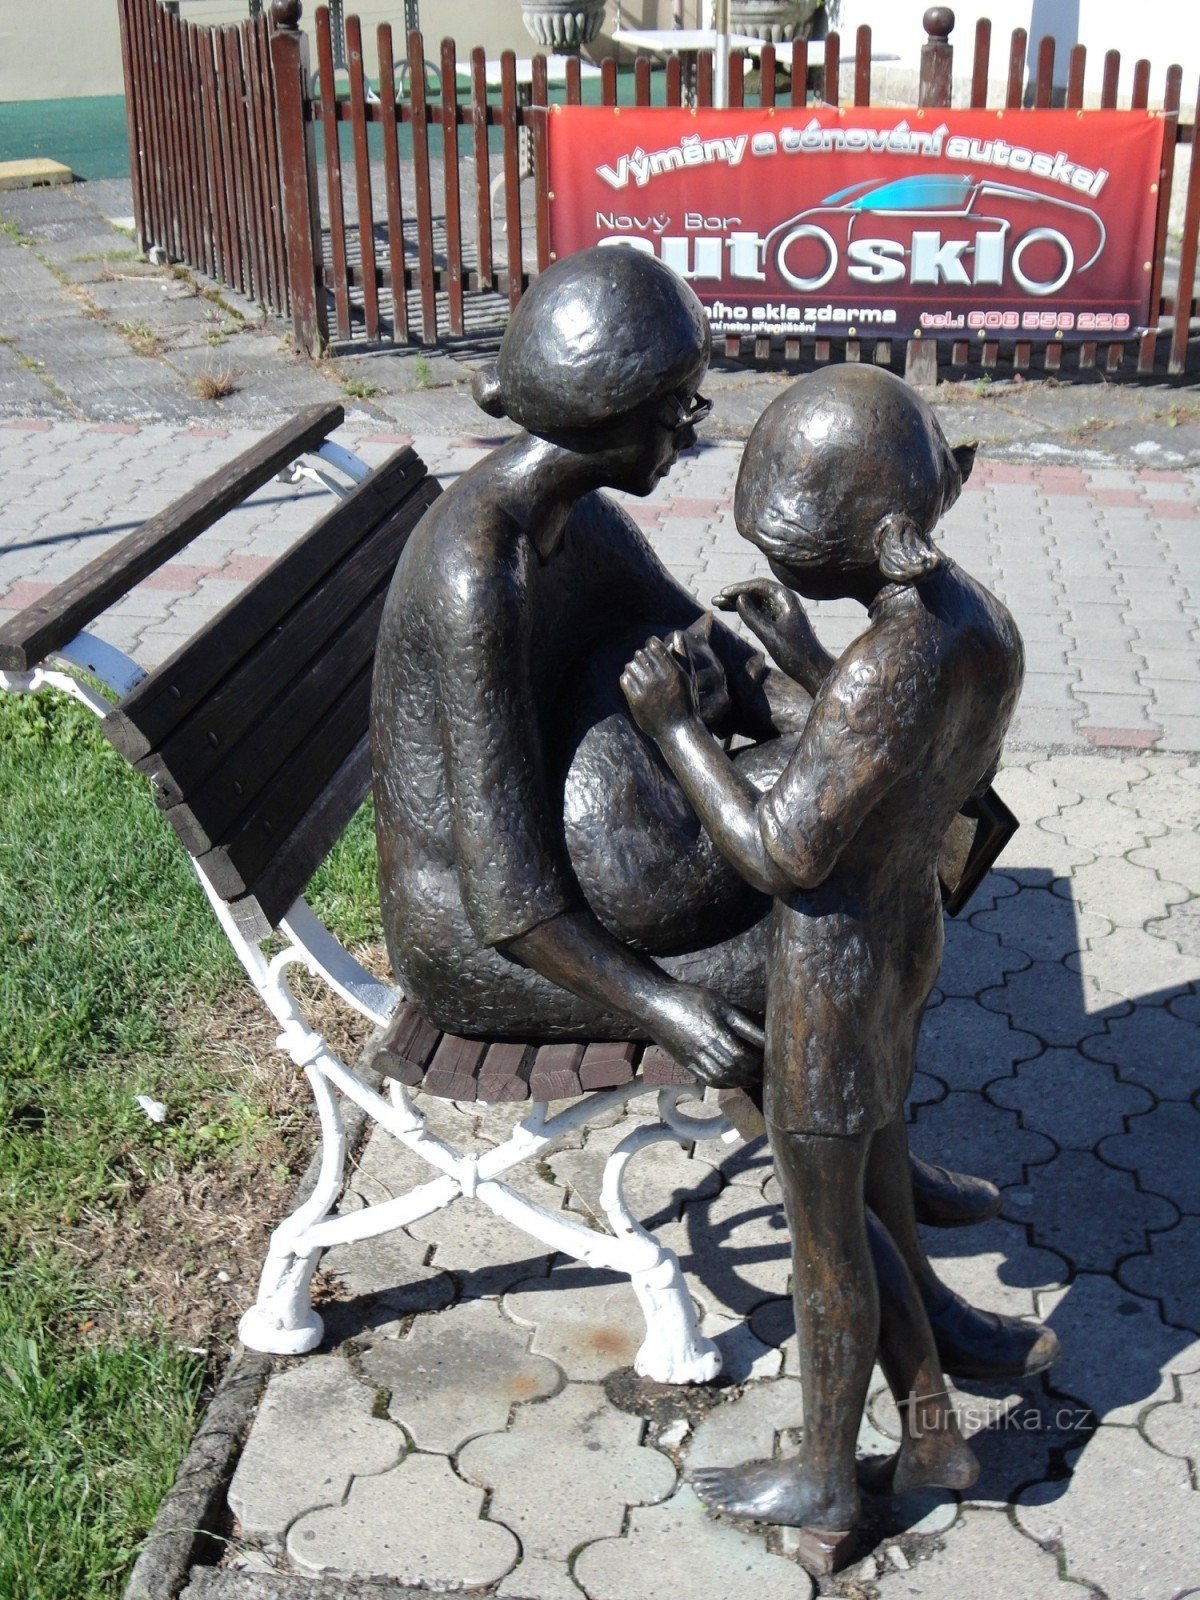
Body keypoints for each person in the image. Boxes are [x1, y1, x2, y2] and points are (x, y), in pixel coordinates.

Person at [369, 250, 1058, 1381]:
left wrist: (819, 701)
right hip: (484, 938)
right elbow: (502, 896)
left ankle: (888, 1176)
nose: (694, 426)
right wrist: (668, 1007)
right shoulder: (476, 575)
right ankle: (912, 1315)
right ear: (613, 417)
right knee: (826, 953)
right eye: (679, 406)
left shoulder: (577, 518)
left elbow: (708, 649)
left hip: (596, 852)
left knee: (867, 905)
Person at [620, 364, 1038, 1562]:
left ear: (866, 543)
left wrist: (679, 732)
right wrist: (810, 665)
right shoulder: (976, 621)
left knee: (825, 1235)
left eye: (788, 547)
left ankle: (823, 1475)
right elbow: (913, 753)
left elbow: (781, 850)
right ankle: (930, 1430)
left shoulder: (882, 670)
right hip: (910, 939)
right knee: (875, 1168)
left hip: (833, 971)